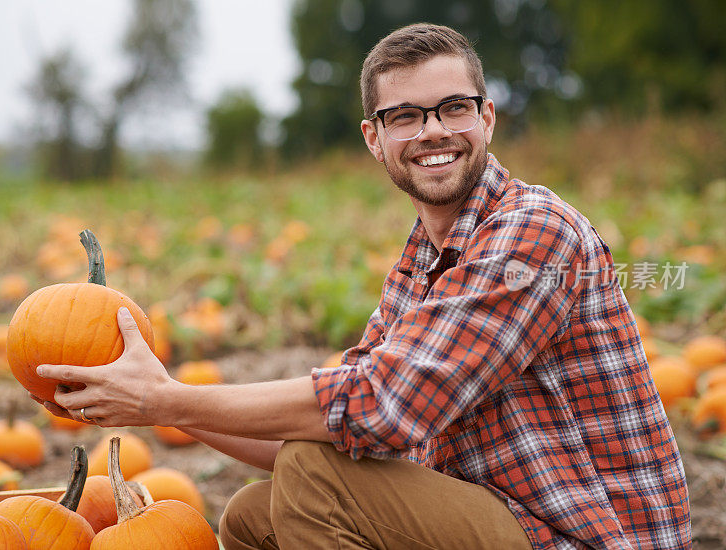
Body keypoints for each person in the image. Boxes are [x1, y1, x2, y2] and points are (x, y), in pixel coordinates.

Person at [35, 23, 692, 549]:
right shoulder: (417, 267)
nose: (432, 130)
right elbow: (342, 428)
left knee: (312, 477)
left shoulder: (532, 235)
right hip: (509, 518)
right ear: (374, 140)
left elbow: (379, 406)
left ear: (487, 118)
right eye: (404, 116)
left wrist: (168, 403)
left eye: (452, 108)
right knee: (251, 517)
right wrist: (167, 398)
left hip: (583, 536)